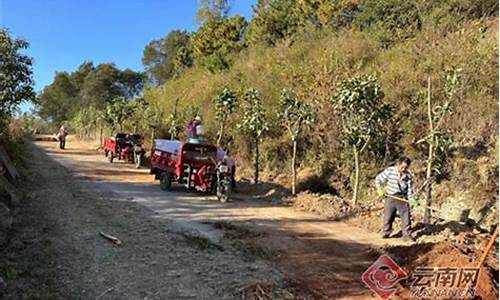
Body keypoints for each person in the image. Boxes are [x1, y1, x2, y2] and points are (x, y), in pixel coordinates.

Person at [375, 156, 419, 242]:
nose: (403, 169)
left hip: (402, 197)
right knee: (388, 216)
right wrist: (379, 189)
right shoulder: (390, 171)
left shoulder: (408, 176)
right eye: (402, 167)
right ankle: (386, 232)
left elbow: (410, 189)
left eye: (406, 168)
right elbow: (378, 179)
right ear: (398, 164)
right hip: (390, 196)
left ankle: (407, 235)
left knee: (406, 216)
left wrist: (414, 199)